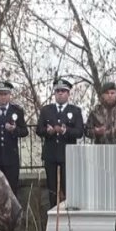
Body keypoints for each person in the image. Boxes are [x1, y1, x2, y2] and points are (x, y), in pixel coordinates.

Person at [35, 78, 85, 208]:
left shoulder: (75, 111)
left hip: (67, 155)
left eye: (63, 91)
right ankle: (53, 215)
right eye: (57, 91)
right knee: (52, 189)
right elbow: (38, 130)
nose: (60, 93)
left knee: (68, 187)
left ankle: (68, 217)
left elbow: (79, 132)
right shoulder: (46, 110)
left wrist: (65, 131)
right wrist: (48, 131)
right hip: (51, 155)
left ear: (68, 94)